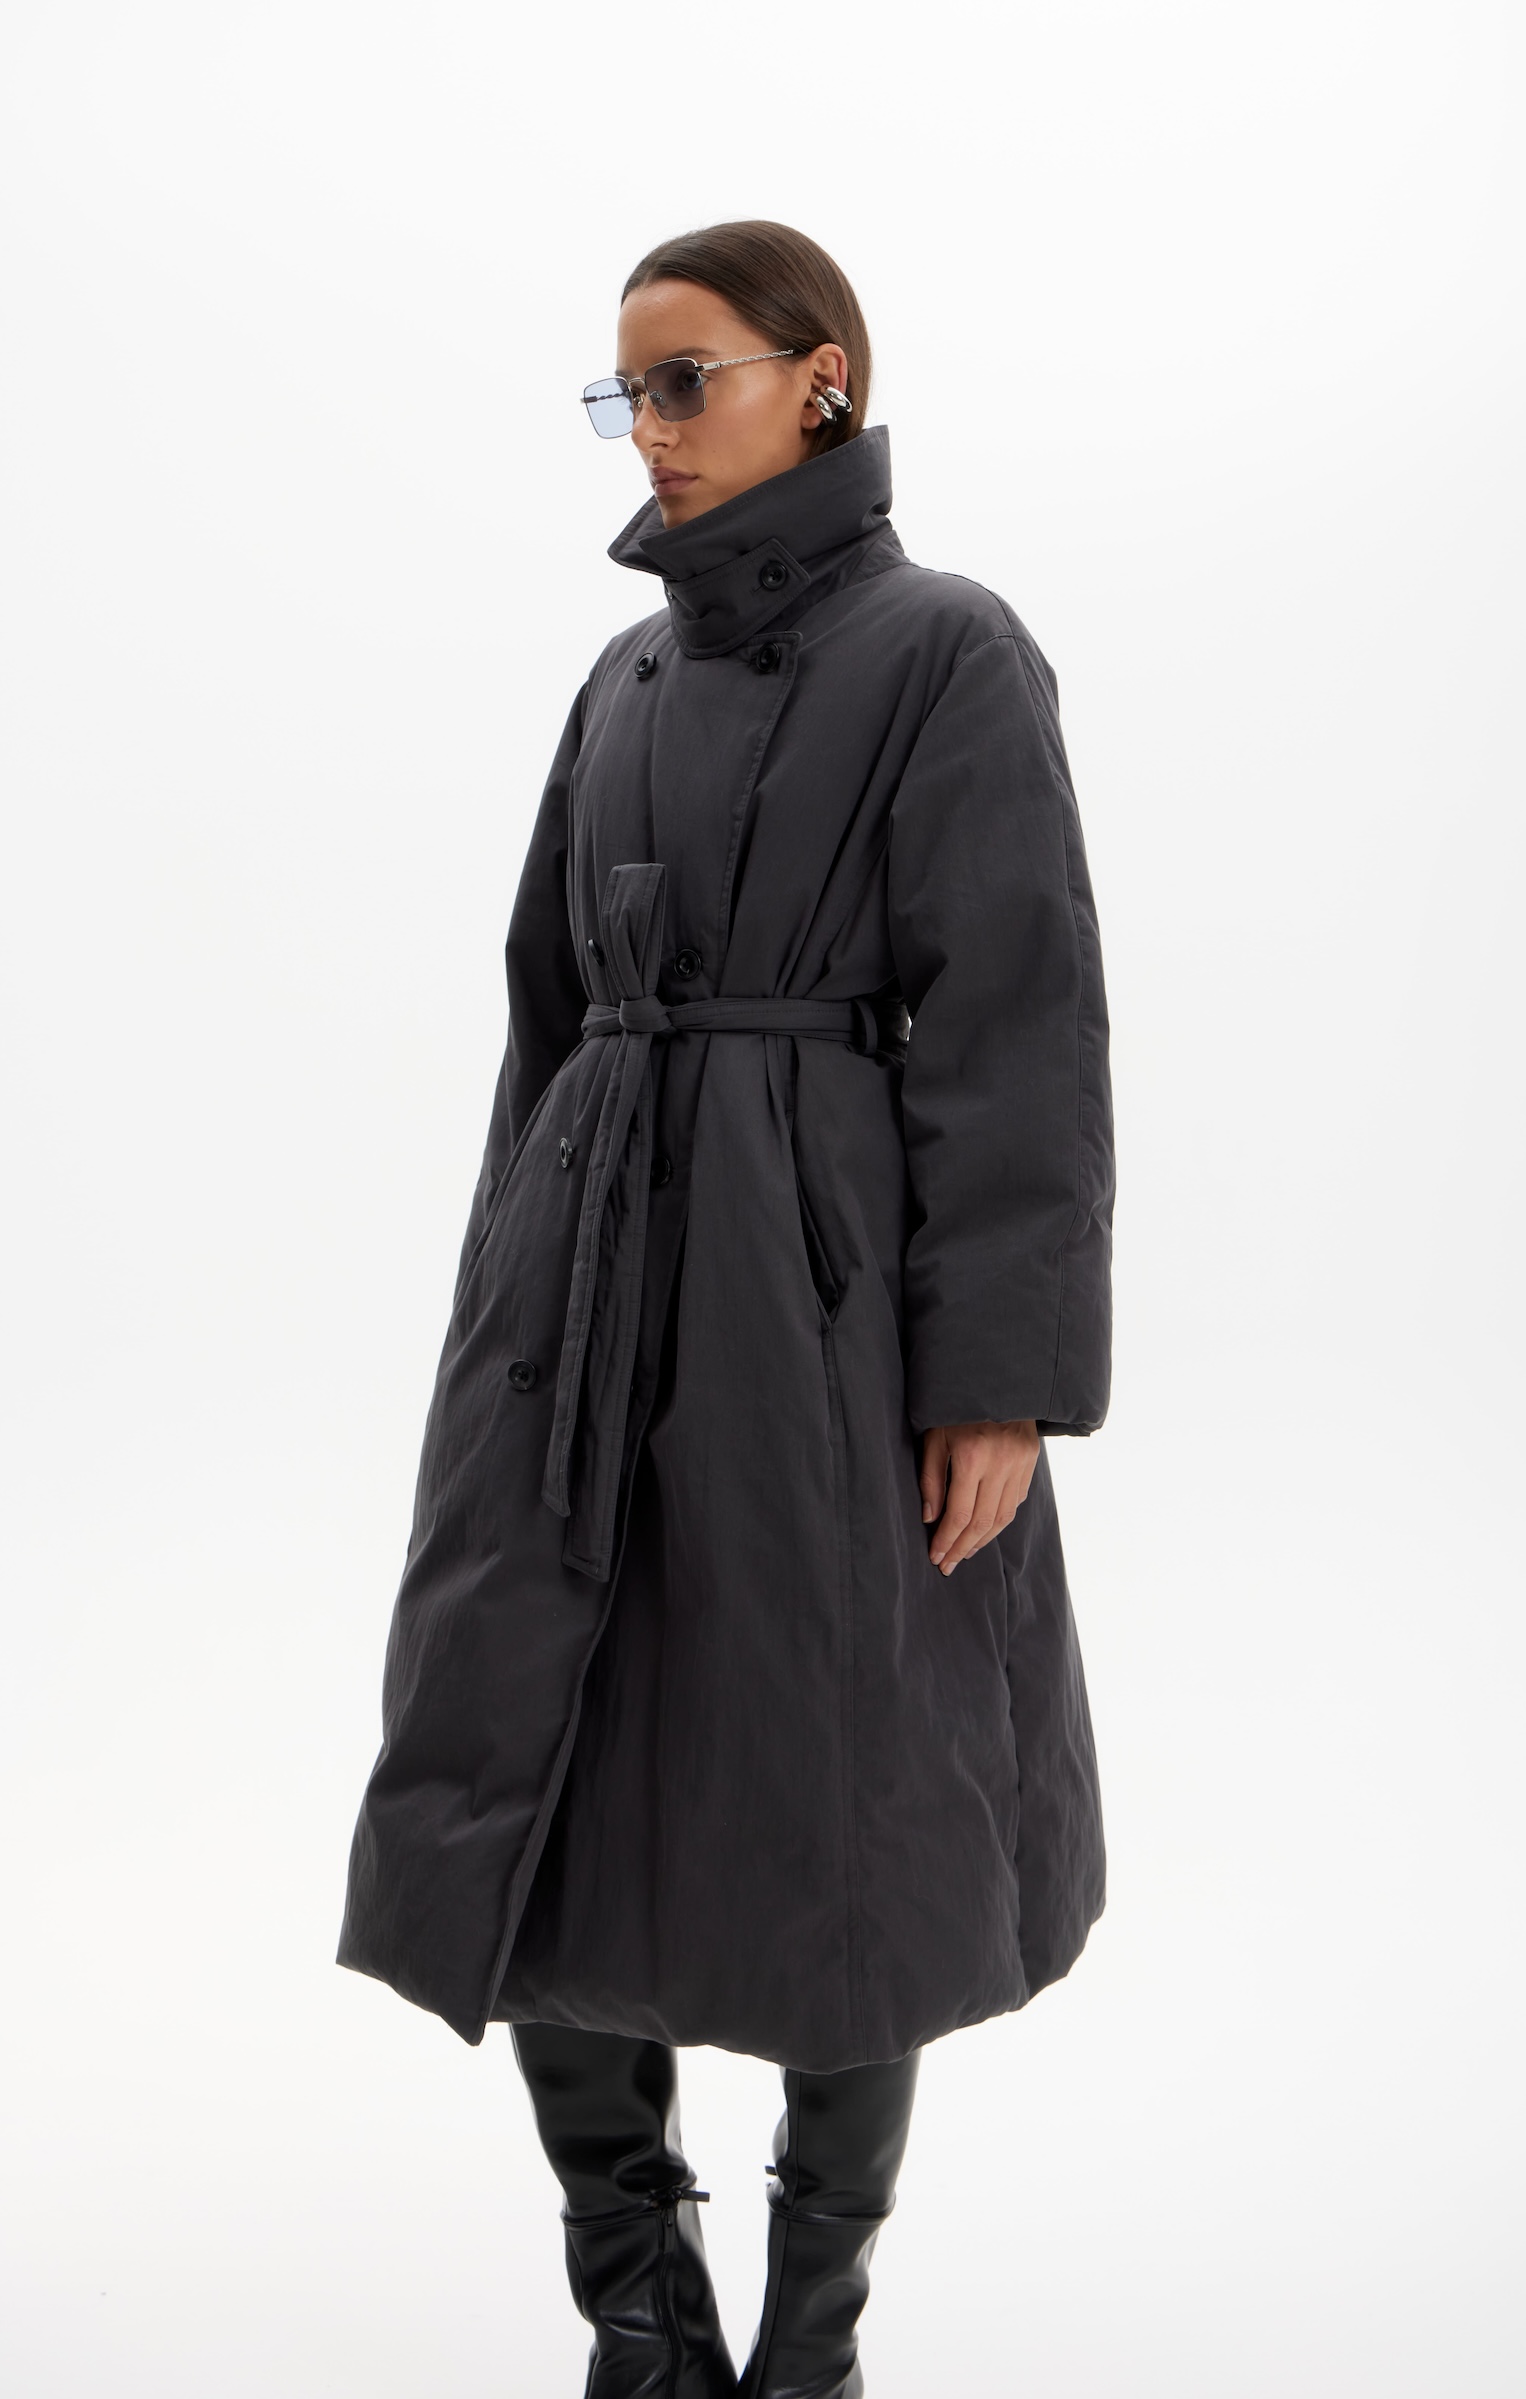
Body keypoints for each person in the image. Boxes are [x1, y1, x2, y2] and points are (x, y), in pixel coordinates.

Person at [339, 219, 1115, 2396]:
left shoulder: (949, 652)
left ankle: (815, 2337)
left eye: (687, 381)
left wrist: (996, 1379)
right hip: (579, 1303)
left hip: (820, 1316)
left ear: (823, 378)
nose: (651, 431)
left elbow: (1018, 1029)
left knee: (850, 1780)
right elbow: (546, 1015)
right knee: (531, 1755)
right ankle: (640, 2307)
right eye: (628, 393)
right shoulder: (621, 681)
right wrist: (505, 1305)